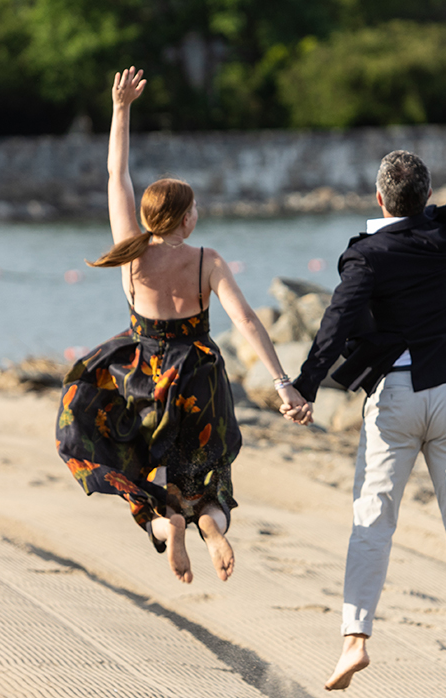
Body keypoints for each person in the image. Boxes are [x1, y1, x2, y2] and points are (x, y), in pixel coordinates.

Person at [285, 75, 446, 691]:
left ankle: (354, 641)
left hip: (393, 401)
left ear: (379, 199)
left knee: (373, 520)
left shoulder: (367, 256)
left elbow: (337, 319)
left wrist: (305, 386)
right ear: (427, 196)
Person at [56, 67, 310, 585]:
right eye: (194, 208)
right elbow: (246, 320)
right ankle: (210, 525)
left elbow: (116, 176)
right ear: (184, 218)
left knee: (147, 475)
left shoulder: (130, 252)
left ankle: (164, 523)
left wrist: (120, 109)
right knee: (208, 474)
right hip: (198, 378)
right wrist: (283, 383)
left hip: (142, 375)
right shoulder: (206, 260)